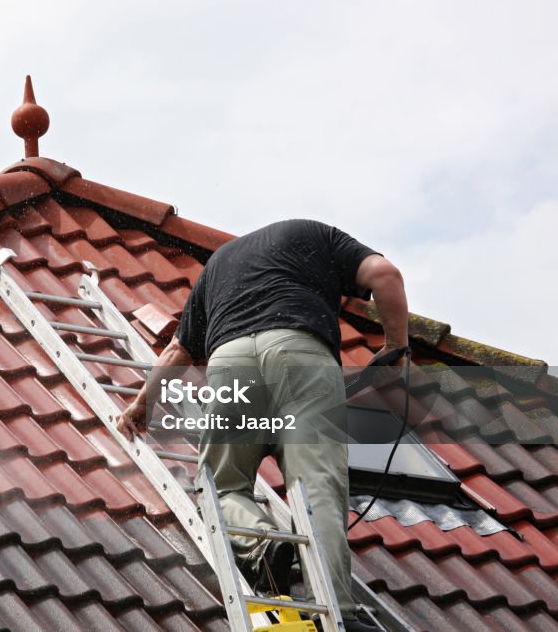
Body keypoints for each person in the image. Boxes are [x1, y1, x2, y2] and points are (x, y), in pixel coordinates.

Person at [116, 219, 408, 632]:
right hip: (300, 354)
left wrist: (139, 408)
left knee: (222, 483)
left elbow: (179, 349)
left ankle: (261, 541)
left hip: (231, 362)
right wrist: (396, 346)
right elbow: (385, 275)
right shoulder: (315, 235)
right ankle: (336, 609)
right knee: (316, 483)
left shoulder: (217, 265)